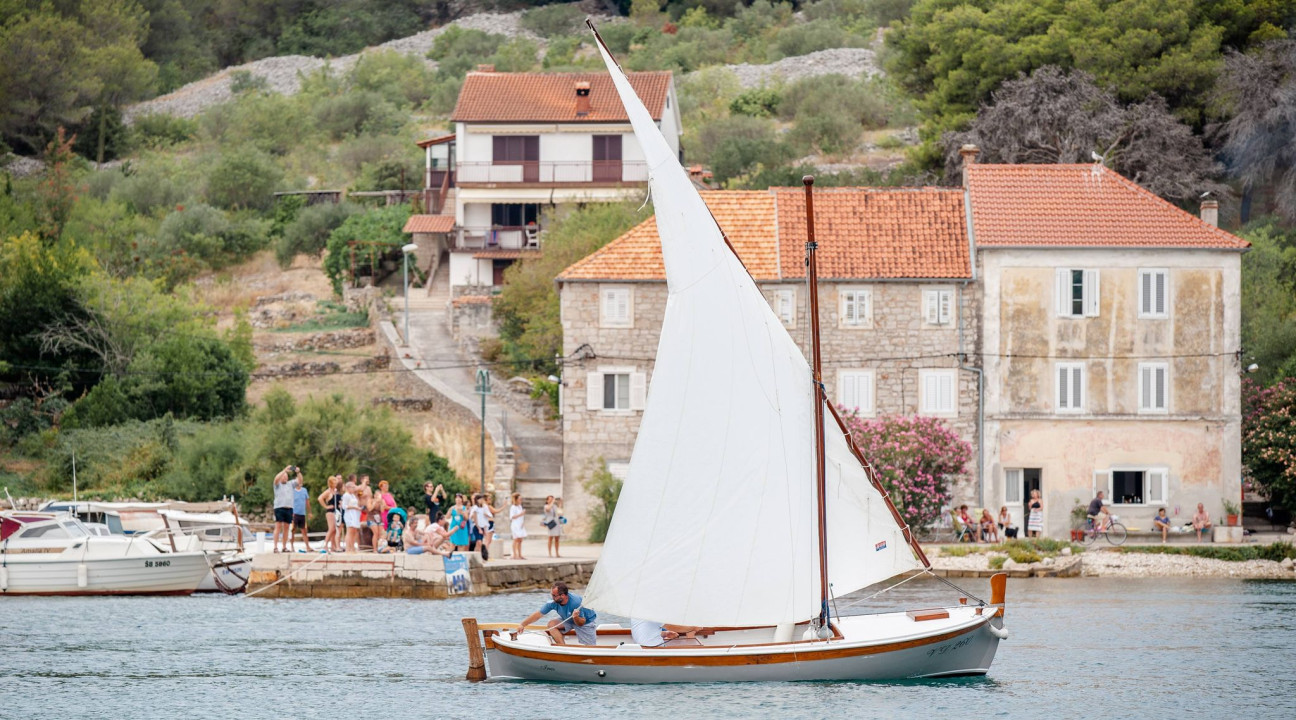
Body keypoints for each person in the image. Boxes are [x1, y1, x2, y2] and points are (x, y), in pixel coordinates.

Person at [516, 582, 598, 646]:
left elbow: (581, 623)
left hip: (585, 622)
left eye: (554, 595)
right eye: (551, 595)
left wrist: (576, 617)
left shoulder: (576, 602)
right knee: (551, 624)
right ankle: (563, 648)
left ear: (563, 595)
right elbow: (538, 615)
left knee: (590, 648)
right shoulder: (553, 602)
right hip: (569, 619)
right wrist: (522, 624)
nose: (552, 597)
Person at [272, 465, 301, 553]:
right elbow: (276, 479)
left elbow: (300, 481)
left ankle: (284, 546)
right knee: (278, 526)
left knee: (287, 527)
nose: (284, 477)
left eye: (286, 476)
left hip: (289, 508)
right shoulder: (277, 485)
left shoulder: (290, 484)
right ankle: (275, 546)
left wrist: (298, 472)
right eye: (283, 476)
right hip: (279, 507)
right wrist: (284, 470)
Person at [629, 620, 707, 648]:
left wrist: (665, 634)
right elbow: (673, 627)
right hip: (654, 649)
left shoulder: (636, 616)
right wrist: (693, 628)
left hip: (642, 647)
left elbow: (646, 631)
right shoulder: (652, 615)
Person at [318, 476, 341, 553]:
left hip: (336, 511)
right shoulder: (328, 492)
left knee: (335, 529)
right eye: (334, 482)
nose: (335, 484)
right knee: (331, 528)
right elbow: (320, 498)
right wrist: (326, 506)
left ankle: (333, 546)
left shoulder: (336, 491)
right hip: (330, 511)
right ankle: (325, 545)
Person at [292, 477, 313, 552]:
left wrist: (310, 512)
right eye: (298, 480)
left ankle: (307, 546)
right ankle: (292, 546)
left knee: (304, 530)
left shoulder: (304, 490)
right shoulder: (292, 491)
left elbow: (307, 502)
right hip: (294, 513)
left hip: (302, 514)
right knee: (293, 530)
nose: (300, 481)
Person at [472, 495, 495, 561]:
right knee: (479, 542)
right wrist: (479, 528)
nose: (481, 501)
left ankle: (477, 557)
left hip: (483, 527)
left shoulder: (484, 507)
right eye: (480, 499)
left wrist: (484, 529)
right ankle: (479, 557)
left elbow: (488, 517)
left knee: (479, 543)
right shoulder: (475, 508)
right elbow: (475, 519)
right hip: (476, 527)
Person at [341, 481, 361, 553]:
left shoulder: (352, 495)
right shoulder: (346, 495)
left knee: (354, 531)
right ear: (348, 488)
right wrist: (354, 507)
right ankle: (348, 548)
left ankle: (352, 547)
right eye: (353, 487)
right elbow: (344, 506)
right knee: (349, 531)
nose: (354, 489)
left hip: (355, 515)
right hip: (349, 514)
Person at [510, 492, 528, 560]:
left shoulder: (520, 506)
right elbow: (512, 517)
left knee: (520, 540)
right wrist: (521, 514)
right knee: (516, 539)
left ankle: (520, 554)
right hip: (515, 525)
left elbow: (521, 516)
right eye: (520, 499)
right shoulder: (513, 507)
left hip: (520, 525)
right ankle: (514, 554)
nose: (521, 500)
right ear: (516, 499)